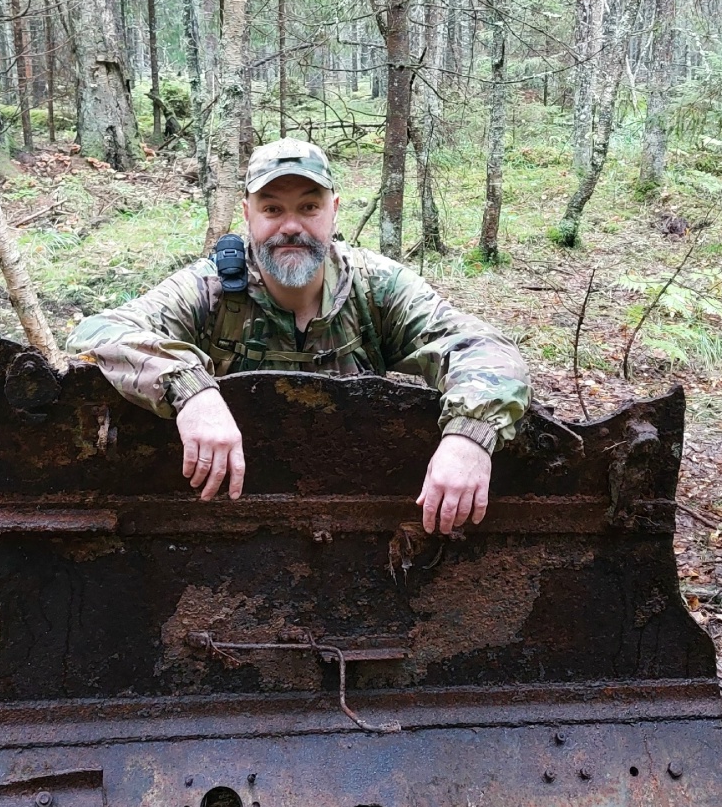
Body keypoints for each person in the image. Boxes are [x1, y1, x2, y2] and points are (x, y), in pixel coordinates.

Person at [68, 139, 531, 535]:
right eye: (273, 209)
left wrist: (470, 435)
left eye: (308, 207)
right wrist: (190, 389)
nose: (291, 225)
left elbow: (484, 349)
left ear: (333, 211)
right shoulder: (211, 288)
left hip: (355, 503)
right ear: (248, 215)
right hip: (227, 512)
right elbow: (97, 333)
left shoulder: (376, 286)